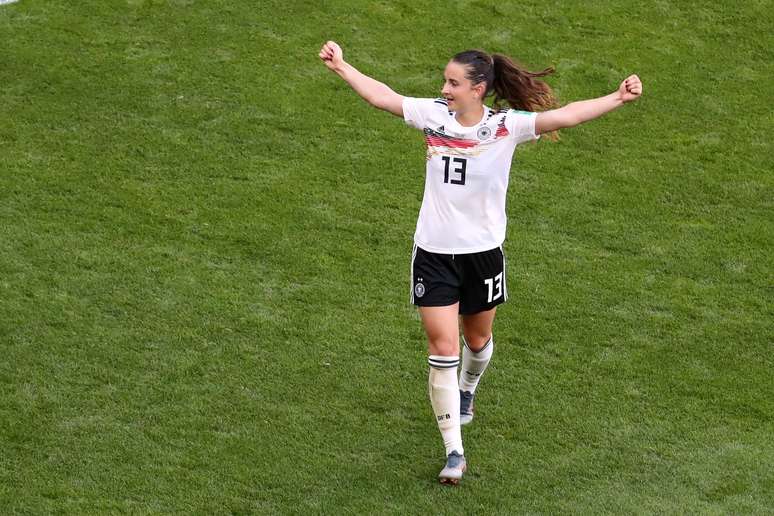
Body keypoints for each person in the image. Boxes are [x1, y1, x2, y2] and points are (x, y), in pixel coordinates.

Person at [318, 40, 642, 485]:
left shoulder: (506, 127)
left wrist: (617, 98)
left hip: (483, 255)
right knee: (442, 350)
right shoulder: (433, 115)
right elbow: (383, 97)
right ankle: (454, 452)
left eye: (453, 83)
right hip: (433, 254)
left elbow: (565, 116)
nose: (444, 89)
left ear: (478, 89)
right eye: (445, 81)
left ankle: (468, 389)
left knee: (477, 338)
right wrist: (342, 66)